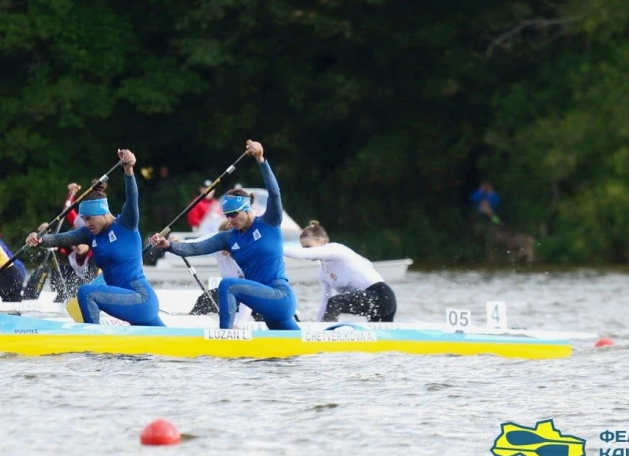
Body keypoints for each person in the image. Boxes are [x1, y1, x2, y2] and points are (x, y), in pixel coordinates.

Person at [150, 140, 298, 330]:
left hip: (280, 297)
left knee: (228, 284)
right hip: (265, 306)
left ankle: (225, 335)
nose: (230, 219)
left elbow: (275, 194)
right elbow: (195, 247)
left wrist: (261, 160)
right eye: (227, 216)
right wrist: (168, 245)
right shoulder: (229, 238)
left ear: (247, 208)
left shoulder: (270, 222)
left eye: (234, 214)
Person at [26, 149, 164, 326]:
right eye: (83, 219)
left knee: (86, 292)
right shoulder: (88, 234)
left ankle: (92, 342)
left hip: (142, 299)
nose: (87, 224)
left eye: (89, 219)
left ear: (102, 211)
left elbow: (132, 198)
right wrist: (39, 239)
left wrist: (128, 170)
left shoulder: (126, 224)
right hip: (126, 303)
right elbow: (60, 239)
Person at [284, 220, 396, 322]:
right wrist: (317, 326)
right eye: (303, 247)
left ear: (322, 241)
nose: (306, 250)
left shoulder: (336, 249)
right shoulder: (323, 273)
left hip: (382, 297)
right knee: (332, 302)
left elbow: (303, 255)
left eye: (308, 246)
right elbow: (325, 302)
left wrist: (272, 248)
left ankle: (327, 336)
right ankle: (325, 333)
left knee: (336, 302)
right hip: (370, 301)